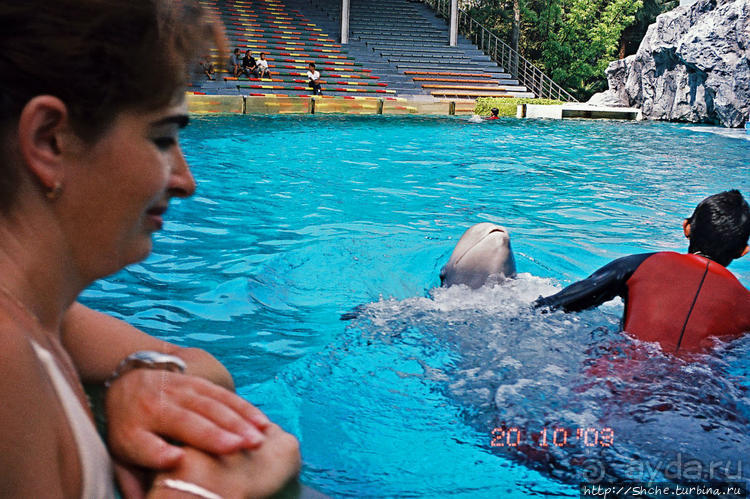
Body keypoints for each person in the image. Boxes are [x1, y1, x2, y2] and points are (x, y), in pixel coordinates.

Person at [0, 1, 300, 497]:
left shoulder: (49, 317)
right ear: (49, 140)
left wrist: (143, 378)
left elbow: (209, 368)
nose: (186, 182)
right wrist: (199, 493)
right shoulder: (7, 358)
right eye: (162, 138)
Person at [534, 190, 750, 353]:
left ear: (687, 228)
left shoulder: (640, 265)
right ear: (743, 251)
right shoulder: (746, 305)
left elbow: (555, 306)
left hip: (619, 381)